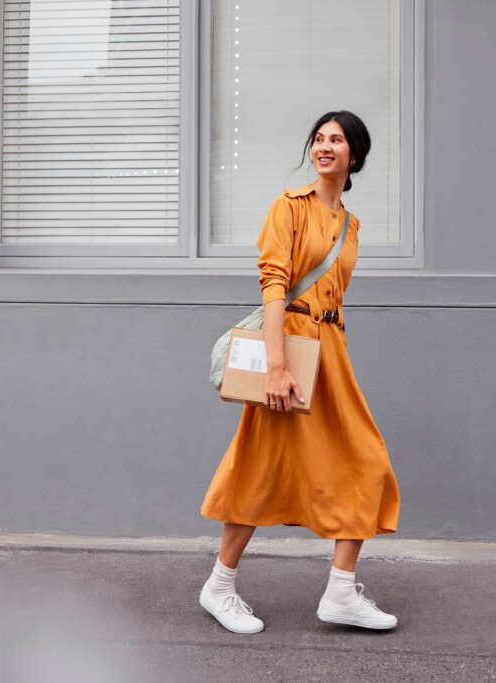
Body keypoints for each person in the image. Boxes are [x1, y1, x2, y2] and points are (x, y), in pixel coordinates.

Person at [199, 111, 401, 634]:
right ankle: (219, 586)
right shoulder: (289, 208)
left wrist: (329, 357)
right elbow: (273, 288)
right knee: (260, 463)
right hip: (288, 349)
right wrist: (276, 367)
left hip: (330, 352)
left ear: (354, 154)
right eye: (318, 139)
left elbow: (334, 296)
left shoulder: (350, 225)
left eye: (336, 140)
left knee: (365, 459)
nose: (324, 146)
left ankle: (340, 592)